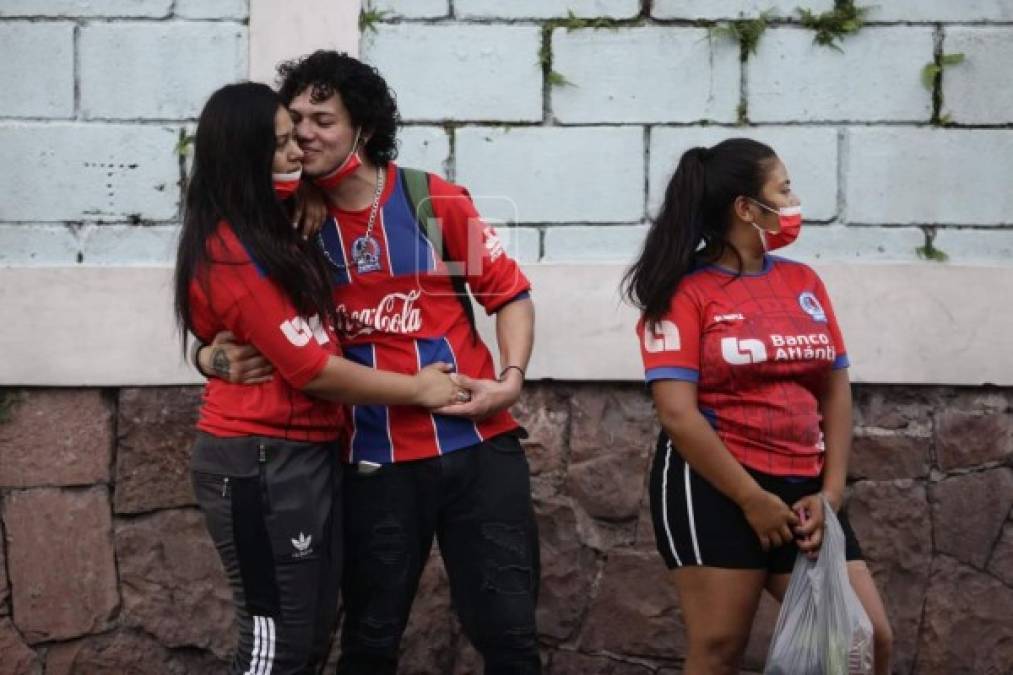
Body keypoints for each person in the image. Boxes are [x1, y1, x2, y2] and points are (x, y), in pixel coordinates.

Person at [199, 52, 541, 674]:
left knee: (511, 637)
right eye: (295, 118)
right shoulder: (284, 222)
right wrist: (210, 354)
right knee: (368, 642)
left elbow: (510, 294)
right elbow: (223, 311)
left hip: (479, 446)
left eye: (322, 119)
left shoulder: (430, 201)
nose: (304, 133)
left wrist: (510, 382)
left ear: (363, 127)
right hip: (371, 463)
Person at [174, 81, 463, 675]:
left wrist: (304, 192)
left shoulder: (273, 224)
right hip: (258, 460)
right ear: (244, 157)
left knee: (306, 639)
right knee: (273, 641)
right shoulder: (233, 250)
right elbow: (312, 371)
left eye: (297, 140)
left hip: (302, 455)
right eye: (281, 144)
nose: (297, 153)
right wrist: (418, 389)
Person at [623, 138, 893, 674]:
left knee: (864, 639)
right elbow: (677, 413)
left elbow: (835, 387)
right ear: (747, 208)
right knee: (721, 646)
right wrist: (750, 499)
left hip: (804, 489)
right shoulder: (684, 292)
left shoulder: (803, 282)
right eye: (784, 189)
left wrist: (831, 493)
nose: (794, 201)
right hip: (715, 489)